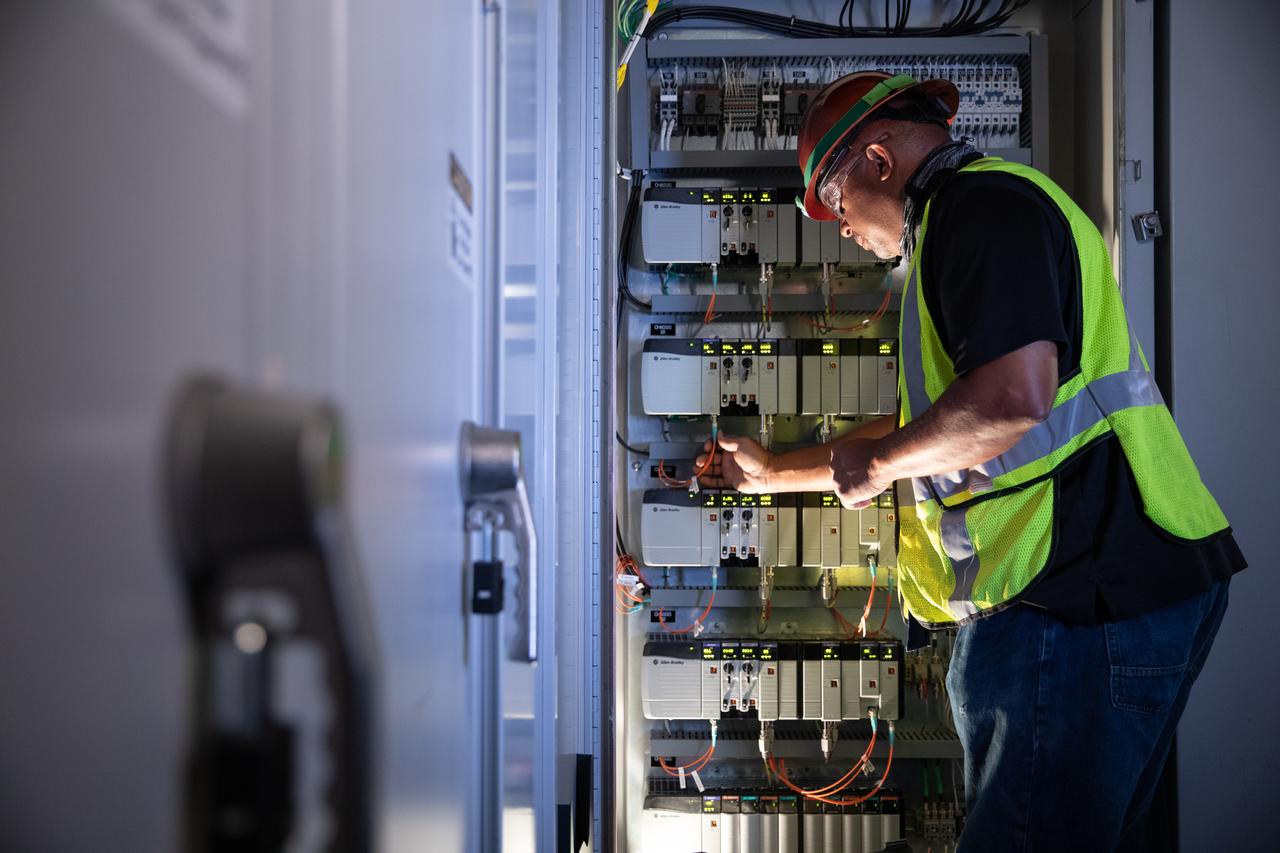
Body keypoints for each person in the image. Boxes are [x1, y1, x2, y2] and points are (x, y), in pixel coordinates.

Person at [695, 71, 1246, 853]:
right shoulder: (980, 216)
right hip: (1113, 585)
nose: (843, 230)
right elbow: (947, 424)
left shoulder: (981, 211)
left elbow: (1012, 399)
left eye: (839, 203)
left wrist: (882, 462)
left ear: (879, 160)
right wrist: (775, 471)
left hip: (1075, 596)